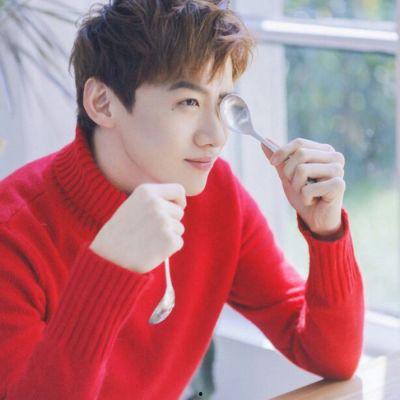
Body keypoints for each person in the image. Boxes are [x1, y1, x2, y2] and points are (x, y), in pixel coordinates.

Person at [0, 1, 364, 399]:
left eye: (222, 103)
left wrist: (326, 231)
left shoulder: (216, 194)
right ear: (103, 103)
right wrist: (109, 268)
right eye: (188, 102)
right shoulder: (13, 234)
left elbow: (331, 356)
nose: (216, 137)